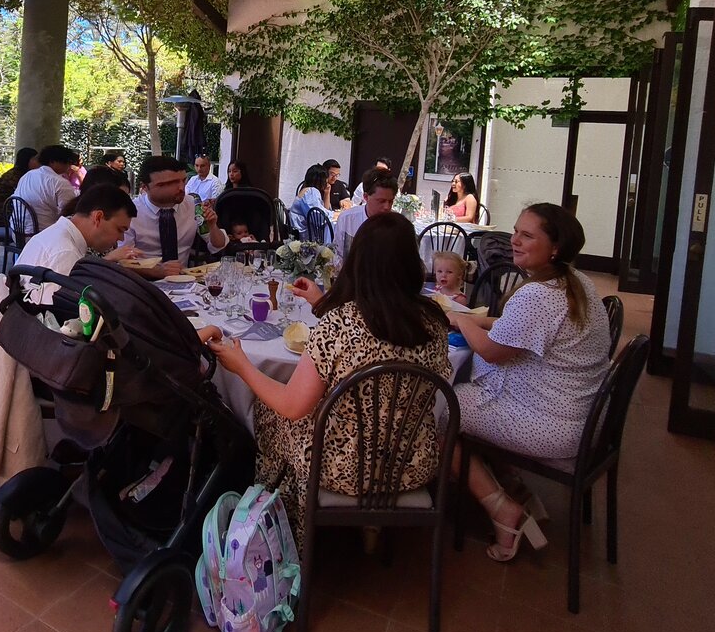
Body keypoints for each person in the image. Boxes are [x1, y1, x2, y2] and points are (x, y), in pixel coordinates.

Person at [201, 213, 450, 524]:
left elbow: (292, 406)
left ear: (358, 263)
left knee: (268, 413)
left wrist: (242, 367)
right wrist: (321, 303)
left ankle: (280, 516)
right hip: (412, 466)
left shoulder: (340, 324)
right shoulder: (435, 322)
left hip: (340, 467)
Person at [452, 203, 611, 562]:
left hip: (552, 425)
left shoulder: (538, 295)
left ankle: (502, 508)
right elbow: (516, 330)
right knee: (465, 396)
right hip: (582, 417)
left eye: (527, 235)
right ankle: (514, 487)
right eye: (516, 231)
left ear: (555, 247)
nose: (514, 241)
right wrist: (474, 320)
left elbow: (492, 352)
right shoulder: (575, 281)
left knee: (436, 408)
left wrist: (461, 321)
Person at [0, 184, 137, 485]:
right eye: (120, 229)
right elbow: (66, 328)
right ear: (98, 217)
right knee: (132, 374)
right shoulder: (64, 252)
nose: (120, 239)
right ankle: (115, 460)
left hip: (25, 340)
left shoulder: (57, 236)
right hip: (39, 358)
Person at [126, 155, 228, 273]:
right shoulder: (130, 212)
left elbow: (217, 246)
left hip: (183, 281)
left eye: (183, 180)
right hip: (142, 283)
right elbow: (123, 262)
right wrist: (158, 271)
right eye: (170, 183)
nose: (181, 188)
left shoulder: (193, 204)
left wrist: (213, 226)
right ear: (145, 187)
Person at [331, 167, 398, 260]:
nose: (386, 207)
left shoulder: (398, 225)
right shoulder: (347, 219)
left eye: (390, 201)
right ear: (366, 197)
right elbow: (338, 254)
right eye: (381, 201)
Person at [10, 144, 80, 231]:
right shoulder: (60, 182)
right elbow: (69, 211)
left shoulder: (28, 175)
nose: (69, 165)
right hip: (42, 234)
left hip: (16, 231)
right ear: (52, 162)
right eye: (66, 162)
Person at [291, 163, 331, 236]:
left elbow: (323, 210)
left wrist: (327, 193)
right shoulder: (311, 192)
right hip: (305, 234)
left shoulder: (306, 190)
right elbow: (319, 218)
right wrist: (335, 215)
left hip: (300, 230)